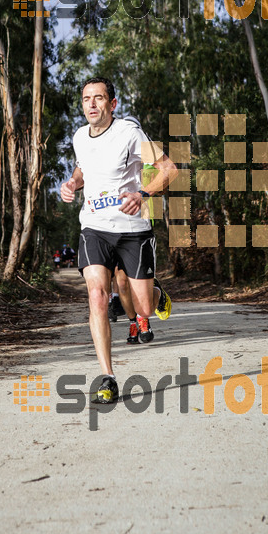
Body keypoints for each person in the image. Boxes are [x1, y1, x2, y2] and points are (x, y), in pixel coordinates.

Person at [60, 76, 177, 404]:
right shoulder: (79, 136)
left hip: (133, 230)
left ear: (112, 104)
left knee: (143, 307)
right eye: (86, 99)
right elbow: (83, 168)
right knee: (97, 296)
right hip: (94, 227)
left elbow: (168, 169)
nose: (92, 105)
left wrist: (143, 193)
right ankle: (108, 376)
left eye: (99, 98)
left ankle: (155, 294)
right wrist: (72, 183)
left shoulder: (129, 132)